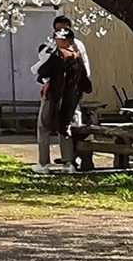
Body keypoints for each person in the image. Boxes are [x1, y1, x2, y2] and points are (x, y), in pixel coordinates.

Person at [32, 16, 93, 174]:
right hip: (71, 95)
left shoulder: (53, 52)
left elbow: (41, 72)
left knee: (44, 126)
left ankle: (44, 164)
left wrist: (44, 78)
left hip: (54, 95)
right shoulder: (77, 52)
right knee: (65, 127)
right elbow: (85, 74)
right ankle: (68, 163)